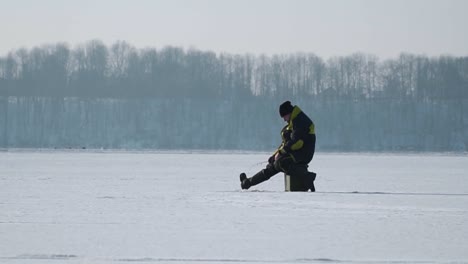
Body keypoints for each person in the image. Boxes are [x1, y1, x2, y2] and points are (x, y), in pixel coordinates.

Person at [240, 101, 317, 191]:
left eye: (284, 116)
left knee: (281, 162)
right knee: (273, 165)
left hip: (304, 154)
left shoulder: (300, 121)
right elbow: (285, 143)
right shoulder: (293, 122)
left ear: (288, 113)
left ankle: (307, 177)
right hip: (295, 153)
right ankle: (248, 183)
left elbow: (297, 143)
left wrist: (281, 153)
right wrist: (275, 155)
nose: (284, 119)